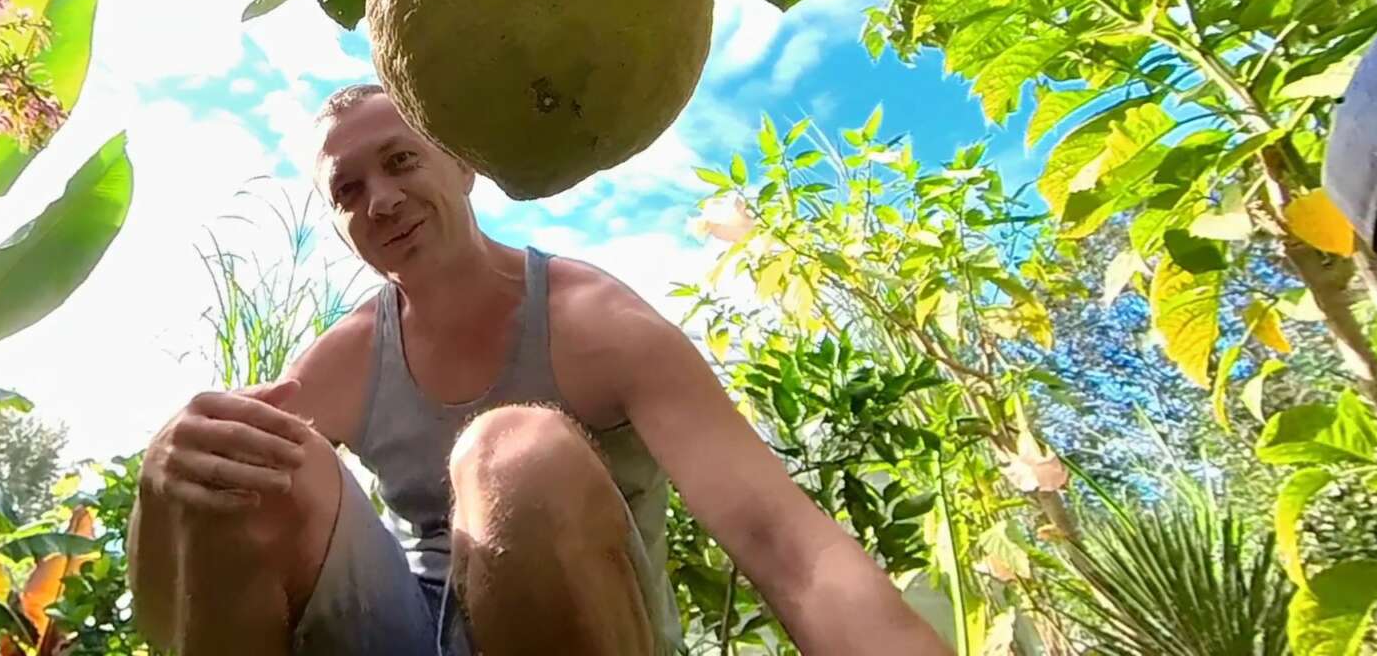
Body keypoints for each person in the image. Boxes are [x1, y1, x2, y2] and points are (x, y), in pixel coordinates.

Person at [128, 83, 952, 656]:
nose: (379, 200)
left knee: (514, 453)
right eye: (347, 190)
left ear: (463, 164)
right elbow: (173, 616)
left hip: (584, 626)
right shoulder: (346, 357)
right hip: (408, 630)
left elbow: (787, 546)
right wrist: (163, 484)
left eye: (401, 161)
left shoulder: (596, 323)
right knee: (248, 460)